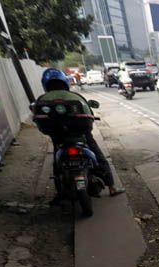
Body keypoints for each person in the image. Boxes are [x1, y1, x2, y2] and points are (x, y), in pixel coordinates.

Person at [35, 68, 123, 201]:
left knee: (56, 162)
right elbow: (89, 114)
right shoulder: (76, 97)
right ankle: (111, 187)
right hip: (81, 134)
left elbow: (37, 117)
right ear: (65, 82)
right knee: (98, 155)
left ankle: (60, 193)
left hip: (58, 136)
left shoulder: (42, 100)